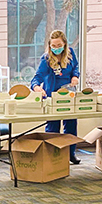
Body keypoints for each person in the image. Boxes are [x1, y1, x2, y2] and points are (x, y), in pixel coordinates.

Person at [31, 29, 81, 164]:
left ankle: (70, 153)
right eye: (53, 46)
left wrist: (75, 76)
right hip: (52, 97)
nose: (56, 49)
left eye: (59, 46)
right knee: (52, 128)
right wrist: (37, 88)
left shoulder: (70, 54)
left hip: (68, 95)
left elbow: (75, 67)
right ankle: (52, 155)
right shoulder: (46, 59)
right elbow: (36, 78)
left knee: (71, 126)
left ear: (65, 44)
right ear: (49, 45)